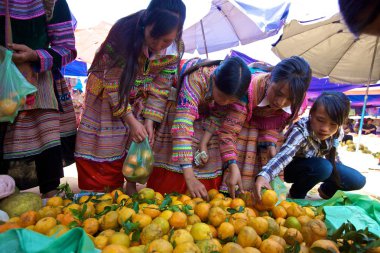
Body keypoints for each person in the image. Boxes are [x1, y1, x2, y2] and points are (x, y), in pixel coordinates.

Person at [74, 0, 186, 194]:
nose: (159, 45)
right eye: (154, 37)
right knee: (106, 145)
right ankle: (101, 192)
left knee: (138, 141)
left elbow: (161, 88)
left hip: (138, 100)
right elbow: (113, 84)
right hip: (107, 96)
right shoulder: (123, 33)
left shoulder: (175, 50)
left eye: (166, 41)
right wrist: (130, 120)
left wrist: (150, 121)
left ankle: (131, 185)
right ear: (146, 24)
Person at [0, 0, 77, 197]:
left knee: (47, 159)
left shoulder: (52, 3)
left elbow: (67, 48)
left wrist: (34, 55)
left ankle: (49, 204)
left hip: (38, 86)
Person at [147, 57, 251, 199]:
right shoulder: (196, 78)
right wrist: (189, 178)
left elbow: (218, 113)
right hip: (179, 114)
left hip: (204, 119)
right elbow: (182, 126)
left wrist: (204, 143)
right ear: (213, 79)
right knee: (172, 180)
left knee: (206, 164)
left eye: (231, 100)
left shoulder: (232, 92)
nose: (225, 102)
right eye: (222, 96)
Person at [218, 56, 312, 197]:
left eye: (289, 99)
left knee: (269, 163)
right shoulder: (248, 89)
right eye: (278, 93)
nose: (280, 102)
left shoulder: (298, 103)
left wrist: (270, 142)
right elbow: (228, 131)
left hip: (268, 135)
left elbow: (278, 125)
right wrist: (232, 164)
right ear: (270, 78)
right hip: (243, 126)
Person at [254, 92, 366, 200]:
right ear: (311, 114)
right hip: (290, 168)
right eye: (320, 120)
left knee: (357, 180)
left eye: (333, 124)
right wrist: (264, 176)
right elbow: (283, 156)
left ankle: (326, 191)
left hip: (316, 166)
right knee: (324, 167)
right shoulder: (301, 130)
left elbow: (333, 155)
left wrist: (336, 178)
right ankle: (297, 194)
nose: (325, 128)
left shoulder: (338, 132)